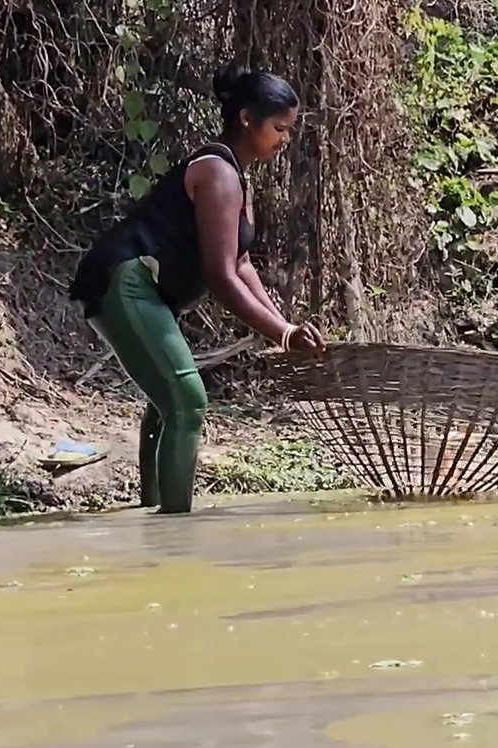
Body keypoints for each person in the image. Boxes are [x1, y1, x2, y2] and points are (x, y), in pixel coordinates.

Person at [69, 63, 325, 514]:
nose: (284, 139)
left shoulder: (238, 179)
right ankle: (174, 528)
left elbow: (242, 265)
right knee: (187, 400)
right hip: (126, 280)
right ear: (246, 119)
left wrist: (285, 328)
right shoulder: (217, 173)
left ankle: (153, 515)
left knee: (166, 402)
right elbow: (221, 277)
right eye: (279, 129)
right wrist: (283, 335)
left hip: (148, 291)